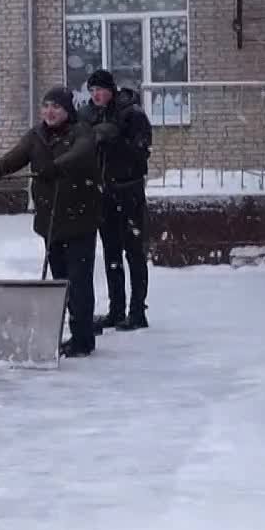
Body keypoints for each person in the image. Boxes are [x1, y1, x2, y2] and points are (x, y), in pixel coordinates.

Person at [0, 87, 101, 358]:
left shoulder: (81, 131)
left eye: (56, 107)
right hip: (50, 220)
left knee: (79, 281)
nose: (50, 112)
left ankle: (83, 338)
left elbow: (82, 152)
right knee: (61, 281)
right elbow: (16, 156)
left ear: (67, 110)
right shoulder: (36, 136)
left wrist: (58, 165)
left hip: (79, 219)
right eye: (46, 106)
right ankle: (69, 331)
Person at [77, 69, 153, 333]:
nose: (96, 95)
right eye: (92, 90)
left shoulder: (132, 114)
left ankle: (137, 311)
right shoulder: (89, 115)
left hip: (128, 190)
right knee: (111, 252)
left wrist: (115, 140)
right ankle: (116, 310)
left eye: (100, 89)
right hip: (104, 192)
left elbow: (142, 153)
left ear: (112, 90)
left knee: (134, 251)